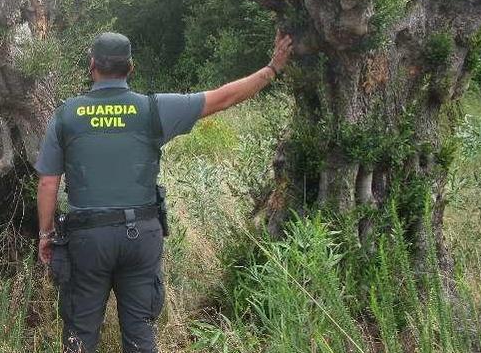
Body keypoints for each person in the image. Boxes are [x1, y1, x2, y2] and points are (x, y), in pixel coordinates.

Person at [35, 30, 293, 352]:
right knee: (140, 333)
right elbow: (223, 97)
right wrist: (272, 68)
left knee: (80, 334)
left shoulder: (66, 115)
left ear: (92, 66)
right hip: (141, 237)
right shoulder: (154, 109)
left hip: (87, 241)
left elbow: (48, 183)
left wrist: (46, 235)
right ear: (131, 68)